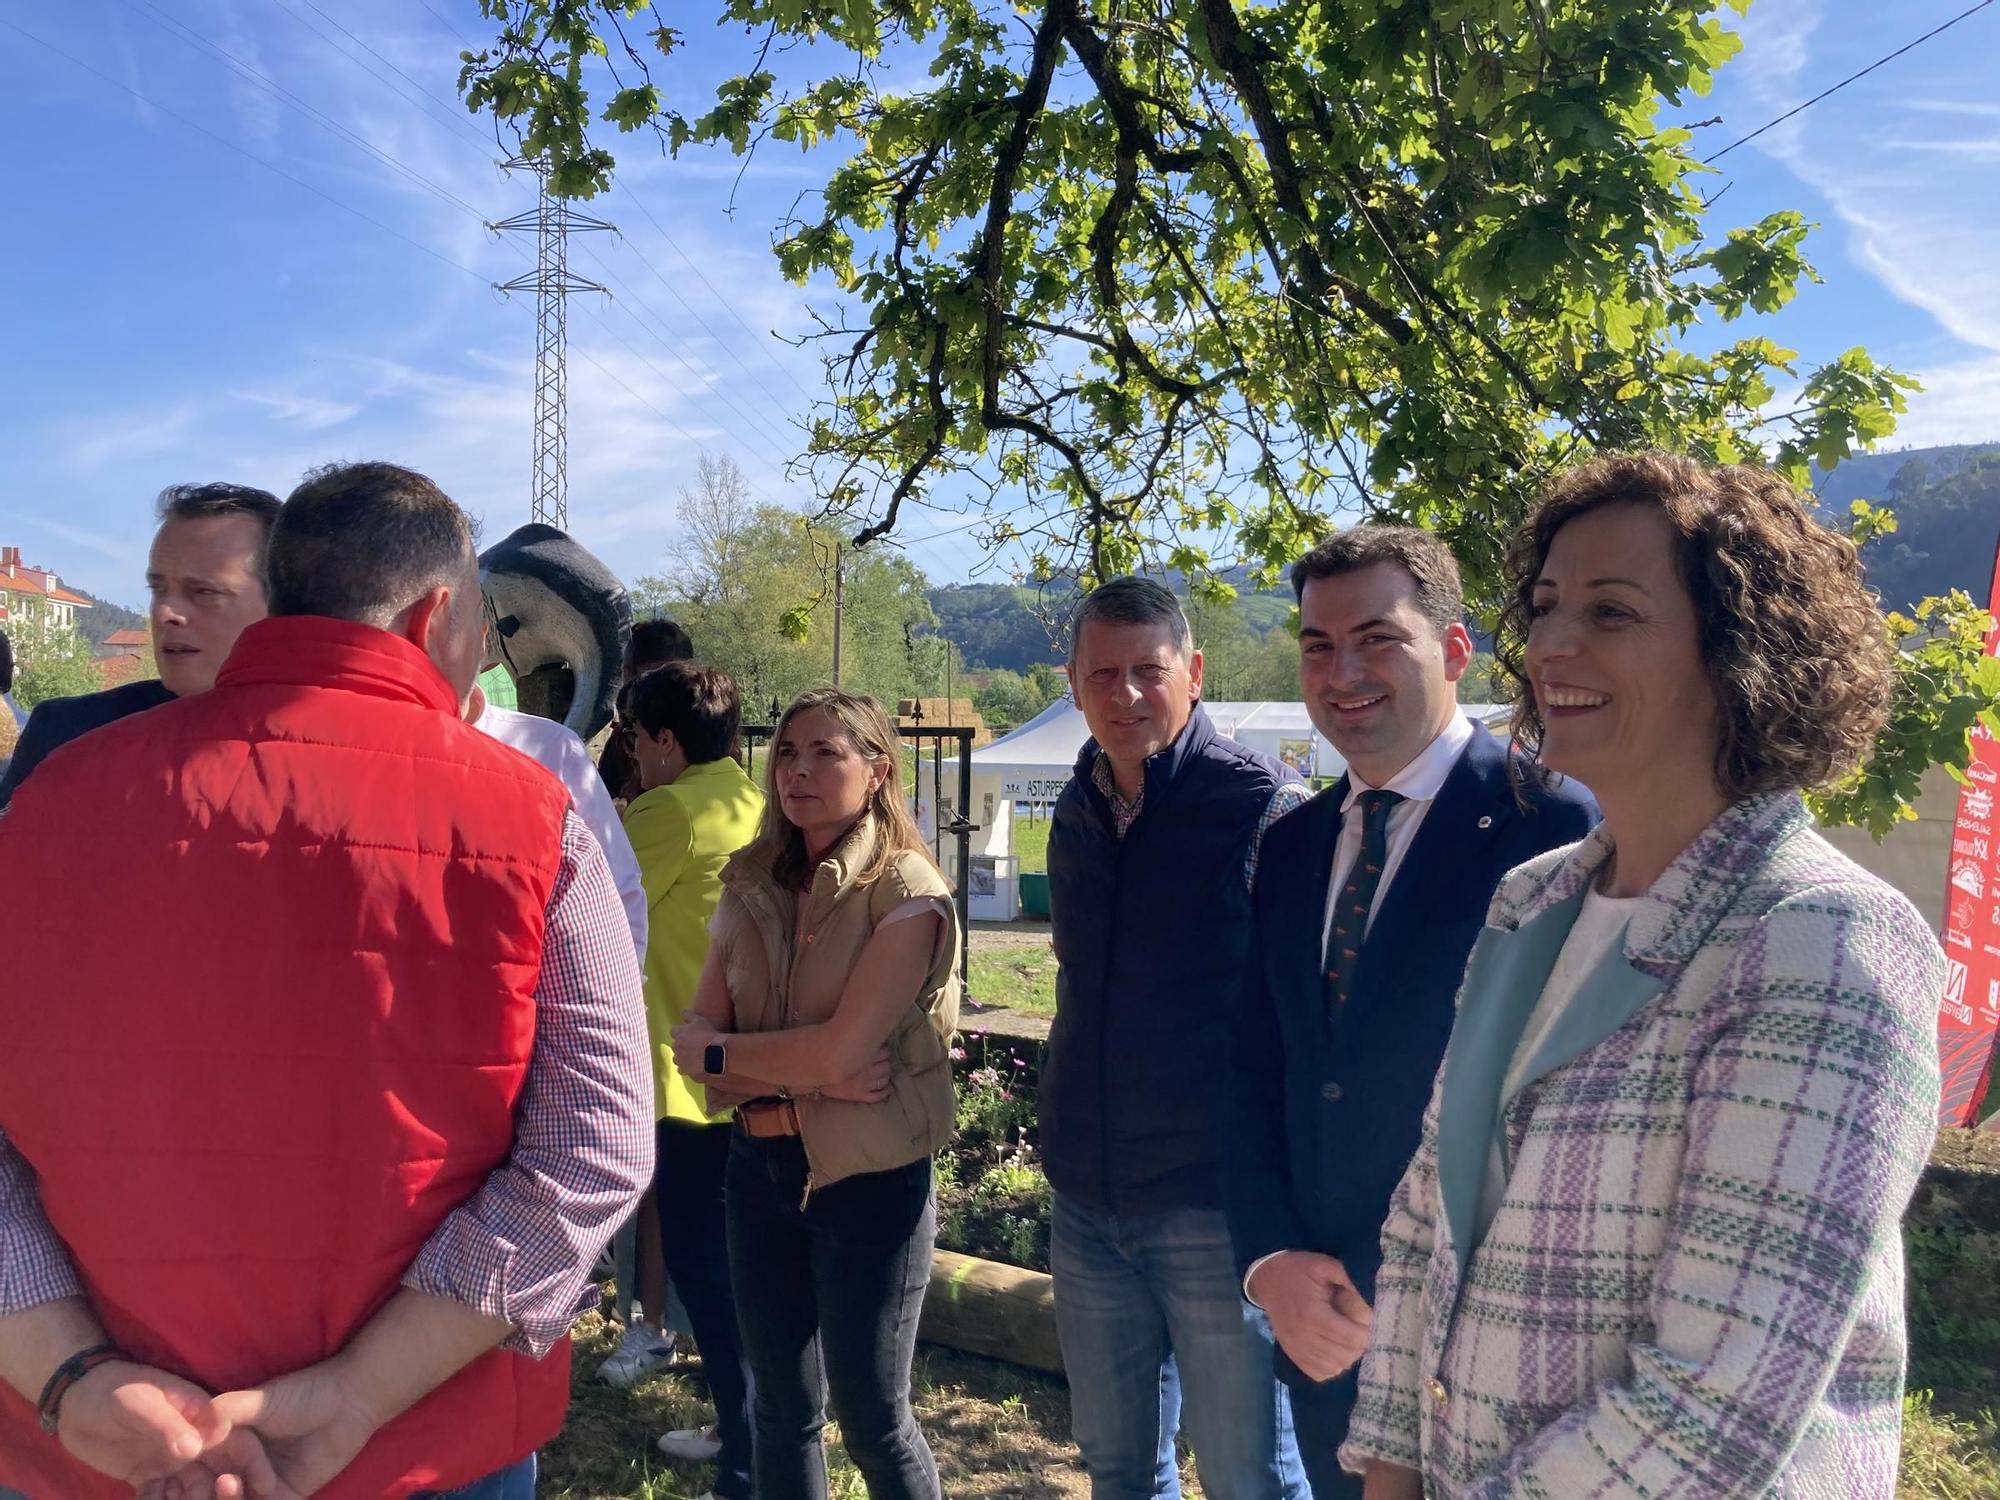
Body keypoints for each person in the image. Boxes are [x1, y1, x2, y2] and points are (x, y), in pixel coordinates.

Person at [0, 461, 653, 1499]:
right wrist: (359, 1391)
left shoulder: (41, 808)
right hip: (421, 1438)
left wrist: (72, 1376)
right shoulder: (533, 820)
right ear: (439, 615)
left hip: (98, 1449)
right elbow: (596, 1156)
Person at [1342, 454, 1946, 1498]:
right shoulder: (1528, 902)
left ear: (1742, 656)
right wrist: (1390, 1476)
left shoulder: (1823, 941)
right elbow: (1420, 1224)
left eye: (1610, 612)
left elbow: (1719, 1402)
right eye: (1542, 606)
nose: (1547, 646)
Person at [1221, 528, 1596, 1497]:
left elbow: (1562, 1098)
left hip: (1480, 1344)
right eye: (1315, 645)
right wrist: (1268, 1262)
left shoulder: (1556, 824)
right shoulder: (1295, 842)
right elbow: (1260, 1065)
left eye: (1376, 638)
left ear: (1455, 651)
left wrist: (1372, 1278)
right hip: (1320, 1336)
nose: (1341, 672)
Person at [1042, 575, 1310, 1500]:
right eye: (1102, 674)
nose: (1123, 695)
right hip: (1087, 1198)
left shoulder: (1266, 809)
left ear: (1193, 673)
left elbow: (1307, 1013)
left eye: (1147, 671)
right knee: (1118, 1470)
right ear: (1073, 683)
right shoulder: (1076, 806)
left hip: (1216, 1208)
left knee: (1251, 1479)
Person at [669, 688, 960, 1500]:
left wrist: (745, 1057)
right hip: (755, 1172)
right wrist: (802, 1071)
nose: (798, 770)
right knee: (779, 1410)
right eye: (788, 753)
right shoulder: (751, 880)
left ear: (877, 772)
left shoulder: (906, 890)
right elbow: (698, 1046)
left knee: (873, 1418)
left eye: (825, 753)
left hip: (867, 1183)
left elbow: (841, 1048)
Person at [618, 661, 767, 1498]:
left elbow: (597, 903)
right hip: (738, 1071)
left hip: (680, 1081)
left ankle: (746, 1462)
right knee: (735, 1271)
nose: (632, 755)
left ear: (665, 741)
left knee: (706, 1274)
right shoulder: (748, 797)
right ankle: (741, 1425)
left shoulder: (667, 810)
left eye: (636, 739)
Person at [0, 482, 278, 809]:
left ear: (280, 602)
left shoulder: (334, 742)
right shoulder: (67, 732)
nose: (165, 613)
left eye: (203, 592)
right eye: (158, 589)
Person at [599, 616, 696, 802]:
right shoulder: (621, 742)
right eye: (653, 680)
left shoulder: (708, 729)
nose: (662, 691)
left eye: (676, 678)